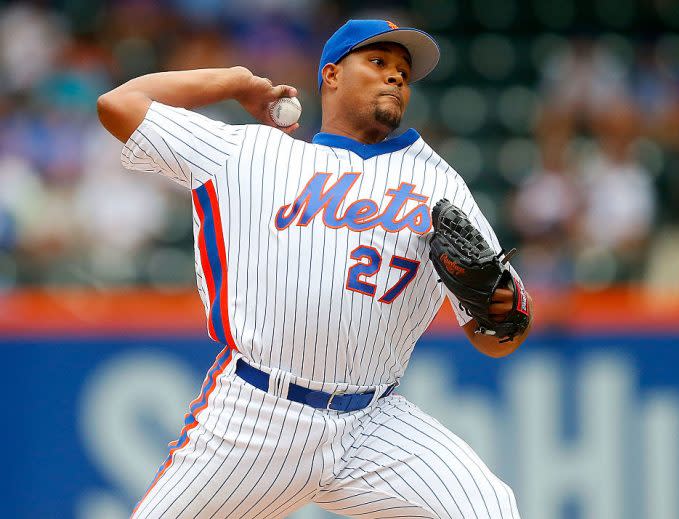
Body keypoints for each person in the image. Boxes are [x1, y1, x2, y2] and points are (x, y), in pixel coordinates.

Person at [98, 18, 532, 518]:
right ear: (330, 75)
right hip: (256, 415)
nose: (395, 76)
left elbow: (498, 333)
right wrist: (237, 82)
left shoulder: (441, 185)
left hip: (373, 421)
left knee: (489, 507)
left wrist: (500, 311)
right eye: (378, 62)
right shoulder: (250, 153)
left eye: (403, 71)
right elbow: (119, 105)